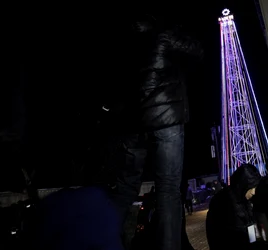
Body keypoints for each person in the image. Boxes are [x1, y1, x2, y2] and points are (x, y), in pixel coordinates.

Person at [109, 12, 202, 250]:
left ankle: (104, 240)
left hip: (131, 124)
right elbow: (197, 50)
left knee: (124, 189)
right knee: (168, 190)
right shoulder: (163, 36)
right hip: (166, 120)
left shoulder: (123, 43)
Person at [206, 164, 263, 250]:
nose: (254, 192)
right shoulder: (224, 201)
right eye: (252, 188)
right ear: (244, 185)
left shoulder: (244, 198)